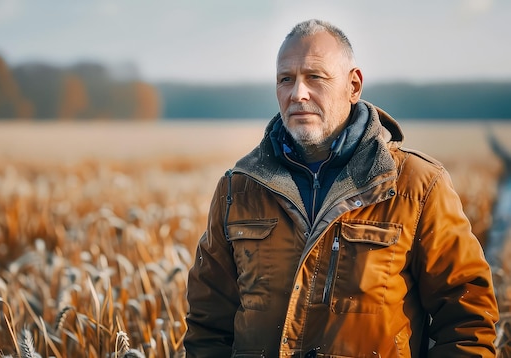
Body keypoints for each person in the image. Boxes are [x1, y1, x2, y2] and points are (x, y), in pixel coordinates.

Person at [183, 19, 499, 357]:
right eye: (285, 79)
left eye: (314, 77)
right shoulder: (239, 189)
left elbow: (468, 323)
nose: (297, 93)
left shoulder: (417, 186)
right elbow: (208, 326)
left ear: (353, 86)